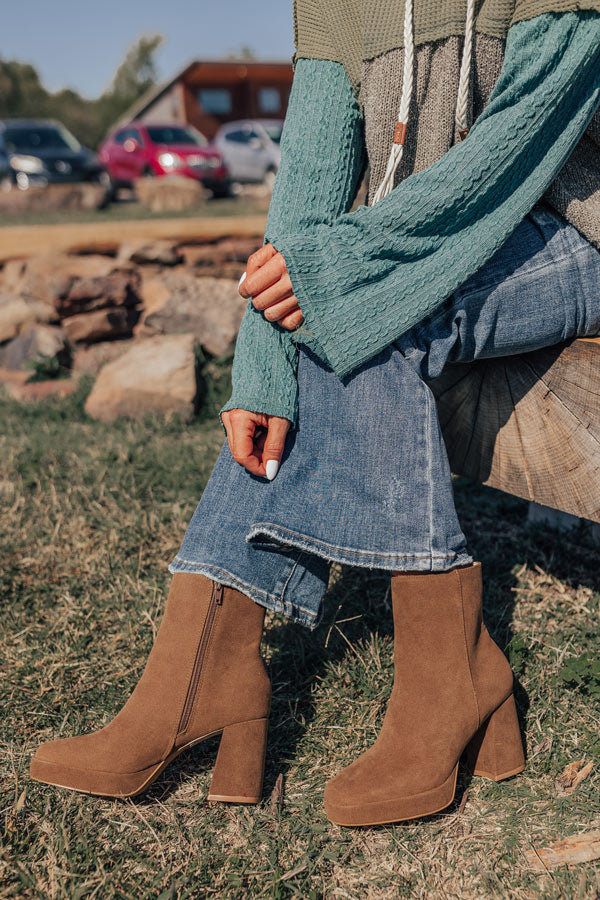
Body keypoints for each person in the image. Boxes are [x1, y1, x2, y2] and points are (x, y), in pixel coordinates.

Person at [30, 0, 600, 826]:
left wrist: (352, 265)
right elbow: (307, 184)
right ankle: (207, 671)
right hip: (422, 239)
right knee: (344, 304)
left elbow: (524, 140)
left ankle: (434, 676)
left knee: (367, 305)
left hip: (573, 231)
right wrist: (261, 373)